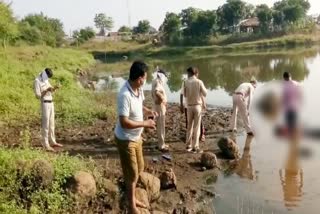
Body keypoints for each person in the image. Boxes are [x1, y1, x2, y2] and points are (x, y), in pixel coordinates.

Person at [114, 61, 157, 213]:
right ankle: (132, 206)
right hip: (126, 139)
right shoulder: (124, 95)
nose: (145, 80)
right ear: (139, 78)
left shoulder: (138, 89)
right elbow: (124, 122)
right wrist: (146, 123)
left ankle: (132, 197)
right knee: (132, 173)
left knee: (140, 167)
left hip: (136, 137)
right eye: (145, 78)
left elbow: (140, 105)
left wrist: (148, 111)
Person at [34, 68, 63, 152]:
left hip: (51, 102)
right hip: (45, 103)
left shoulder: (46, 80)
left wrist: (55, 88)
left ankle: (53, 141)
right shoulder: (37, 81)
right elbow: (38, 96)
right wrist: (46, 90)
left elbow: (51, 91)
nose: (48, 79)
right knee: (45, 124)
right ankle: (45, 144)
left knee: (52, 123)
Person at [183, 67, 207, 153]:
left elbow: (184, 95)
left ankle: (188, 145)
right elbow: (205, 93)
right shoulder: (199, 82)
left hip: (189, 106)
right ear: (196, 73)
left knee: (189, 126)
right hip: (197, 106)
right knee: (196, 127)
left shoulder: (185, 82)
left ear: (190, 73)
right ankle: (195, 146)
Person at [151, 68, 169, 152]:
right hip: (160, 106)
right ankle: (161, 146)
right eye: (164, 76)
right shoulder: (158, 81)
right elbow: (156, 91)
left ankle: (161, 143)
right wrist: (162, 100)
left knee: (160, 125)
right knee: (161, 126)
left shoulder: (155, 80)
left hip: (157, 105)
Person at [282, 72, 302, 139]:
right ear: (290, 76)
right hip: (295, 106)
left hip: (288, 107)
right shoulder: (297, 84)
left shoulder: (284, 85)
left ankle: (291, 136)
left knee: (289, 123)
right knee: (294, 122)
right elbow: (300, 94)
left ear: (284, 78)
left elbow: (284, 97)